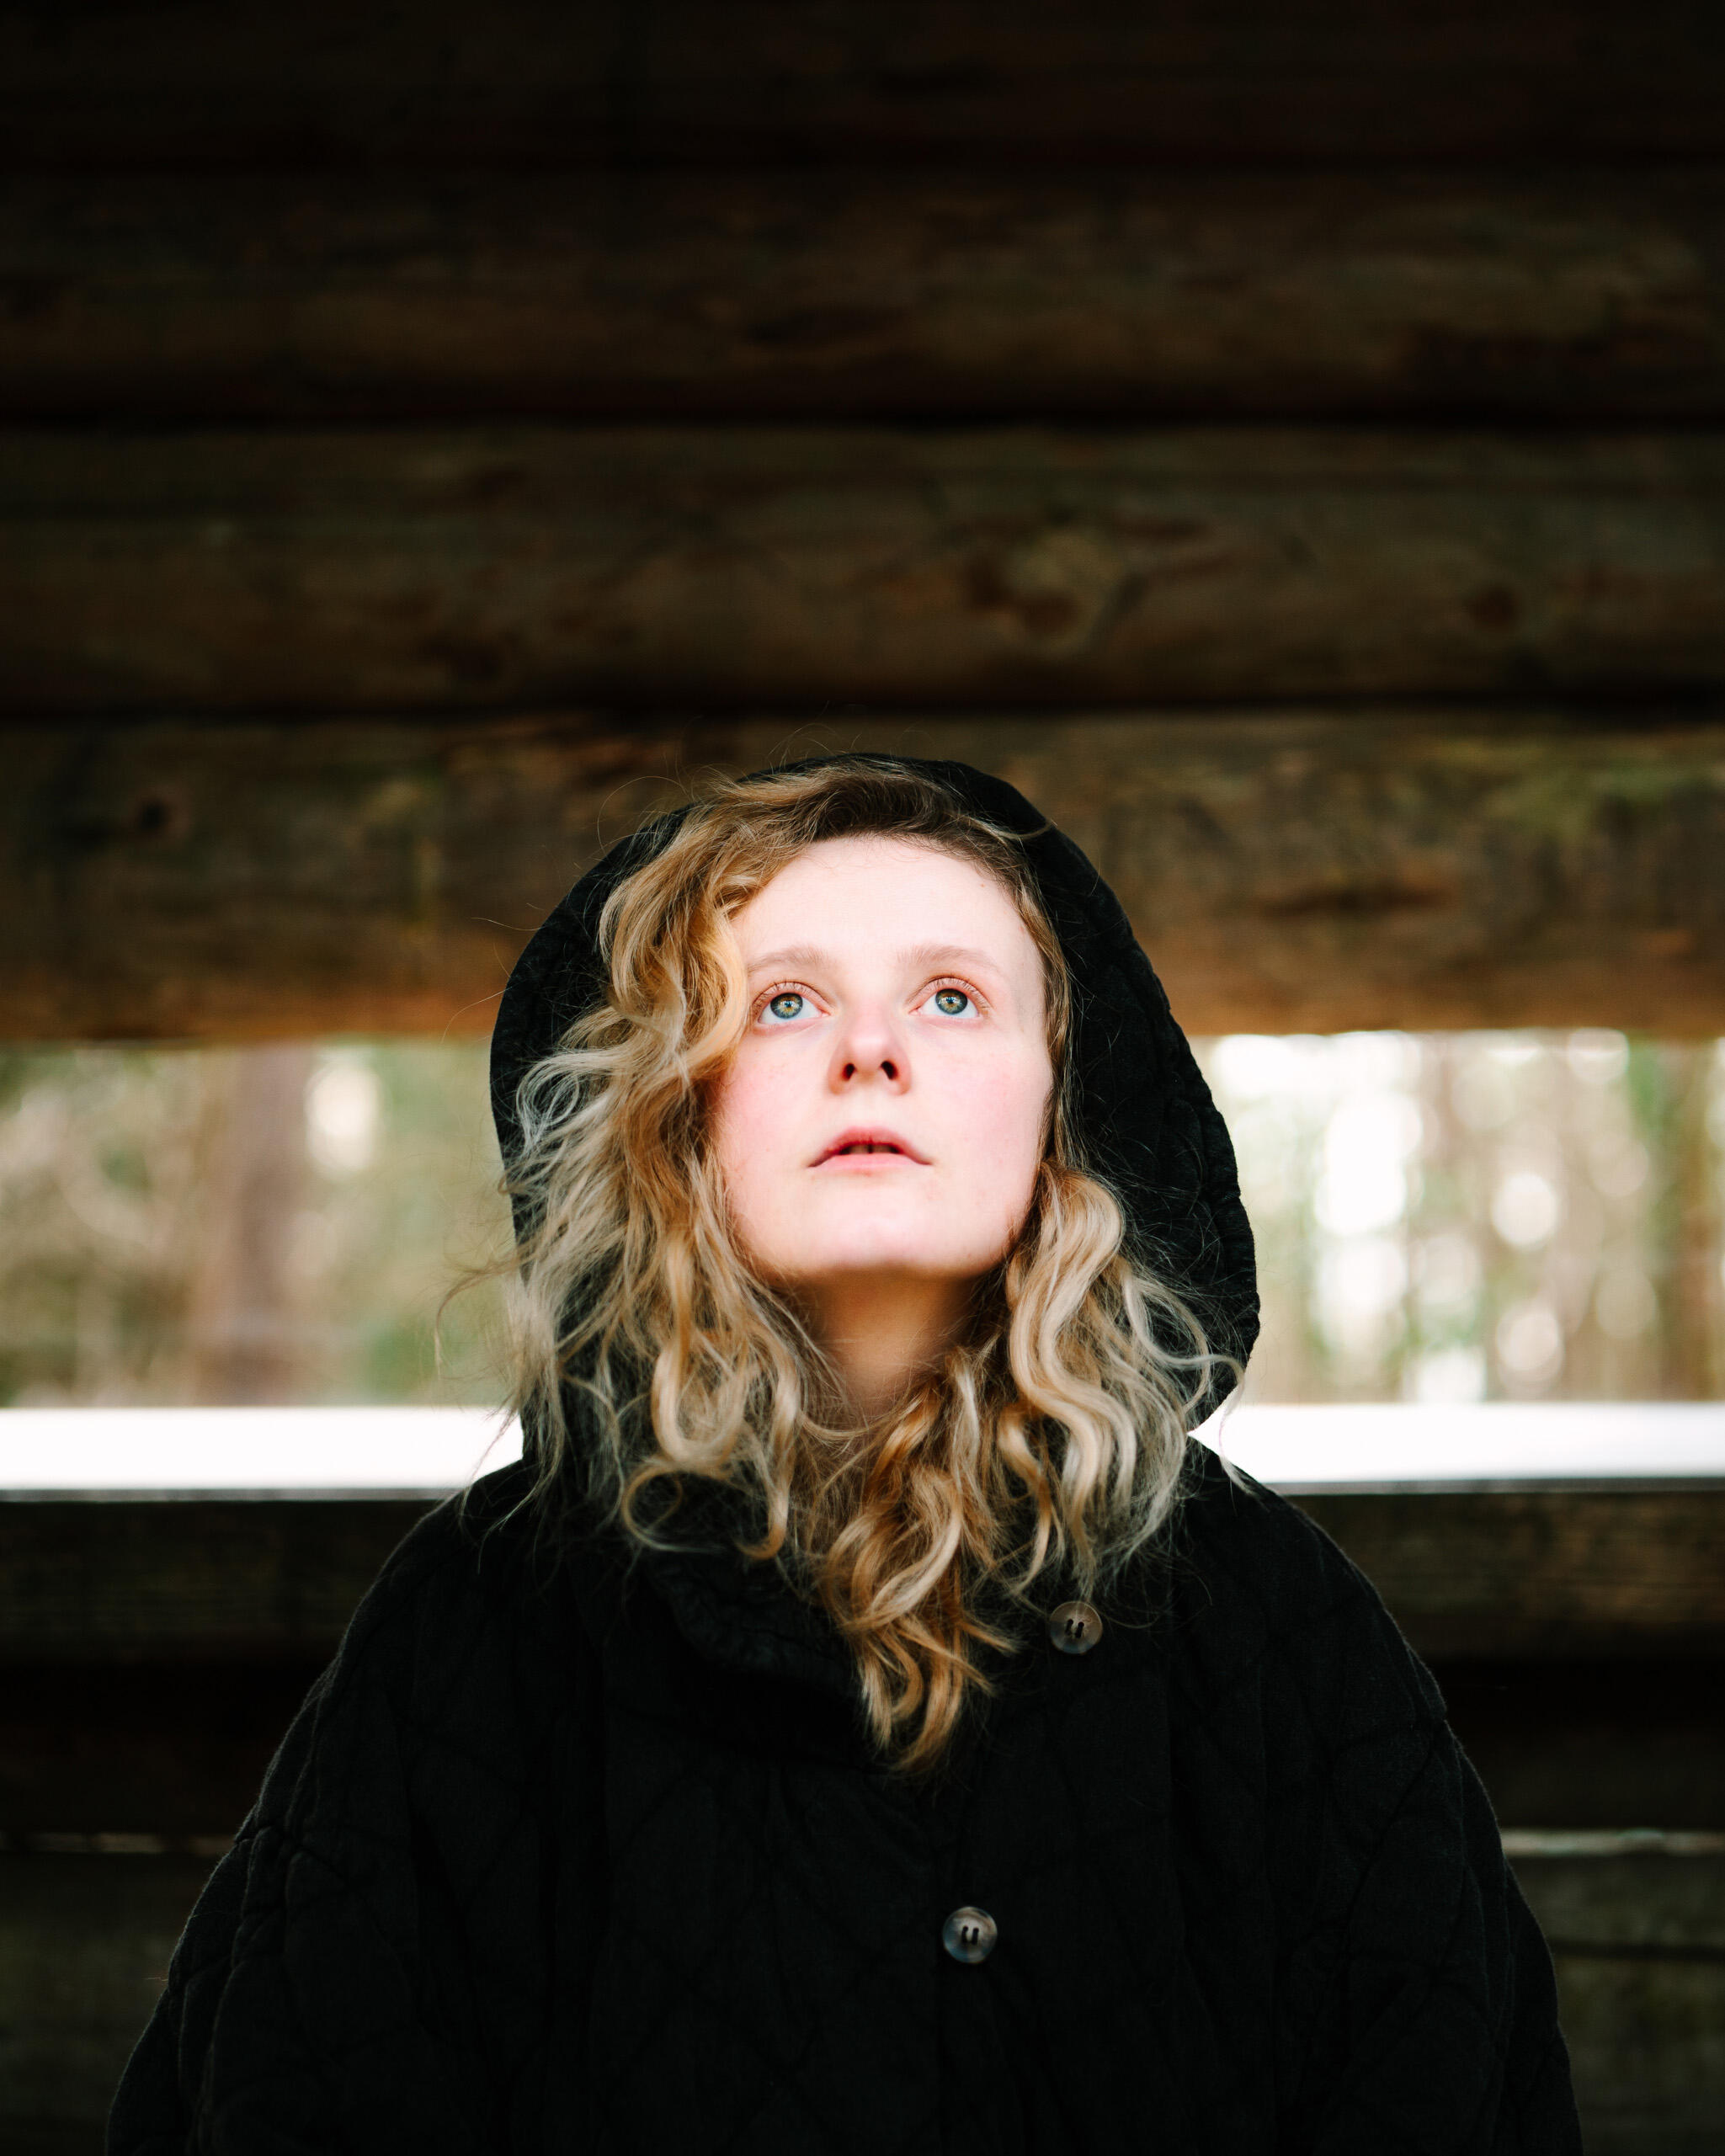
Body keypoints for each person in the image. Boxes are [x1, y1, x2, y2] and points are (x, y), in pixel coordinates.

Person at [109, 752, 1581, 2153]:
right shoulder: (481, 1621)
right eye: (785, 1002)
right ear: (677, 1103)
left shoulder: (1270, 1628)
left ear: (1063, 1102)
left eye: (950, 997)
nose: (870, 1050)